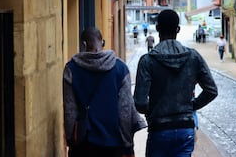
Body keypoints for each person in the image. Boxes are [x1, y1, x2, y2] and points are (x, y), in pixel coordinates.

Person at [134, 9, 218, 157]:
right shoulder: (193, 57)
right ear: (178, 29)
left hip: (159, 129)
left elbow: (140, 102)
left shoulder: (148, 61)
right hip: (185, 128)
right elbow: (211, 90)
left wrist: (154, 109)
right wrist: (192, 105)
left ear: (158, 28)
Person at [63, 27, 146, 157]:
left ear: (83, 44)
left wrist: (71, 141)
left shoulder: (71, 69)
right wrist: (127, 144)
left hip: (84, 146)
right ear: (103, 43)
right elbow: (124, 110)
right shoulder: (120, 68)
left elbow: (69, 111)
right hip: (114, 145)